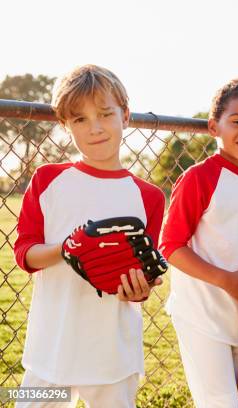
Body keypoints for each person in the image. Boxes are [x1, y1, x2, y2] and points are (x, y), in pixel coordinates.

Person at [13, 64, 165, 408]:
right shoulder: (48, 180)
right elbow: (25, 253)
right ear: (66, 126)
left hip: (112, 358)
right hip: (51, 350)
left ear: (124, 115)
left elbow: (141, 277)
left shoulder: (149, 197)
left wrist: (140, 290)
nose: (95, 128)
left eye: (105, 114)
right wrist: (68, 248)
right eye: (79, 119)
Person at [159, 77, 238, 408]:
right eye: (236, 122)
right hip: (201, 313)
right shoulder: (200, 177)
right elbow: (171, 245)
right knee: (219, 402)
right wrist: (228, 280)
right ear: (214, 127)